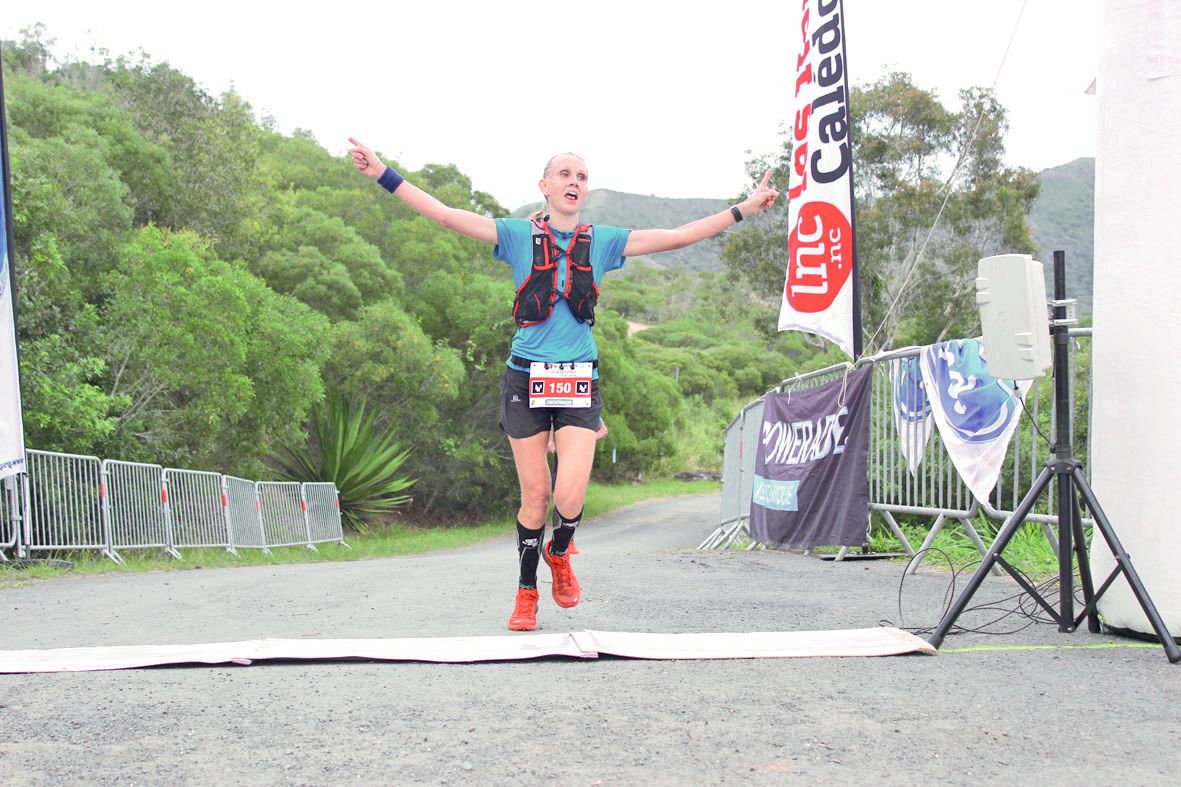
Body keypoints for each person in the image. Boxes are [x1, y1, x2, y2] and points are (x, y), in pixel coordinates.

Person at [348, 139, 778, 630]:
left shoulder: (604, 241)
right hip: (524, 377)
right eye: (566, 174)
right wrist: (383, 173)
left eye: (582, 177)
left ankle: (559, 551)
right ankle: (527, 591)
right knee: (536, 495)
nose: (574, 182)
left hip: (578, 380)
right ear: (545, 186)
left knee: (569, 497)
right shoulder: (514, 235)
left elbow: (678, 237)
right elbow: (445, 215)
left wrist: (742, 209)